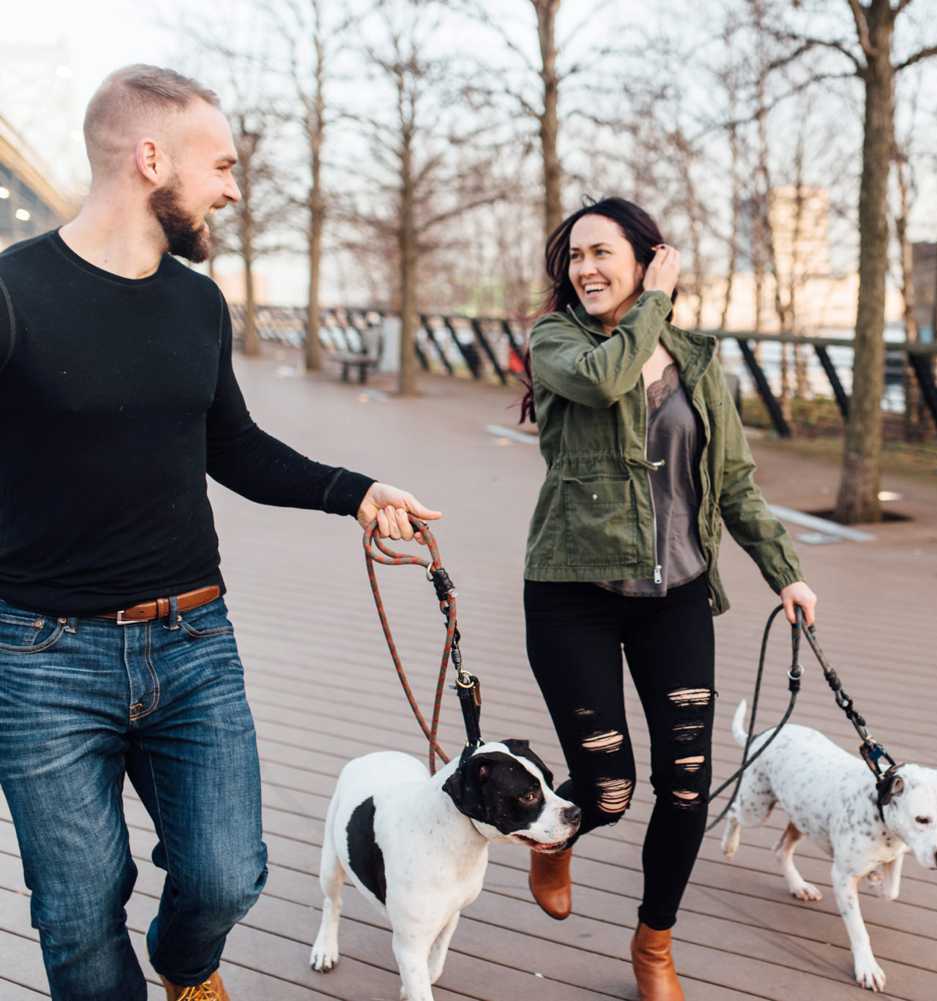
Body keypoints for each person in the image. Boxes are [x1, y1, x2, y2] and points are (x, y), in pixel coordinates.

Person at [0, 65, 440, 1001]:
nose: (234, 188)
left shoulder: (196, 301)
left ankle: (187, 968)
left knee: (227, 875)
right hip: (40, 657)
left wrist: (353, 491)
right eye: (224, 164)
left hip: (193, 641)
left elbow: (232, 446)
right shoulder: (12, 293)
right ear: (149, 156)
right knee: (77, 917)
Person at [520, 197, 817, 1000]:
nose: (584, 269)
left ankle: (654, 943)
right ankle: (553, 838)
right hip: (571, 594)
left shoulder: (694, 360)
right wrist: (654, 299)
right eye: (574, 257)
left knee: (687, 783)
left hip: (675, 594)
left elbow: (735, 482)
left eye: (601, 253)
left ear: (642, 258)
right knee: (608, 788)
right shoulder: (556, 342)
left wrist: (783, 569)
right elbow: (609, 373)